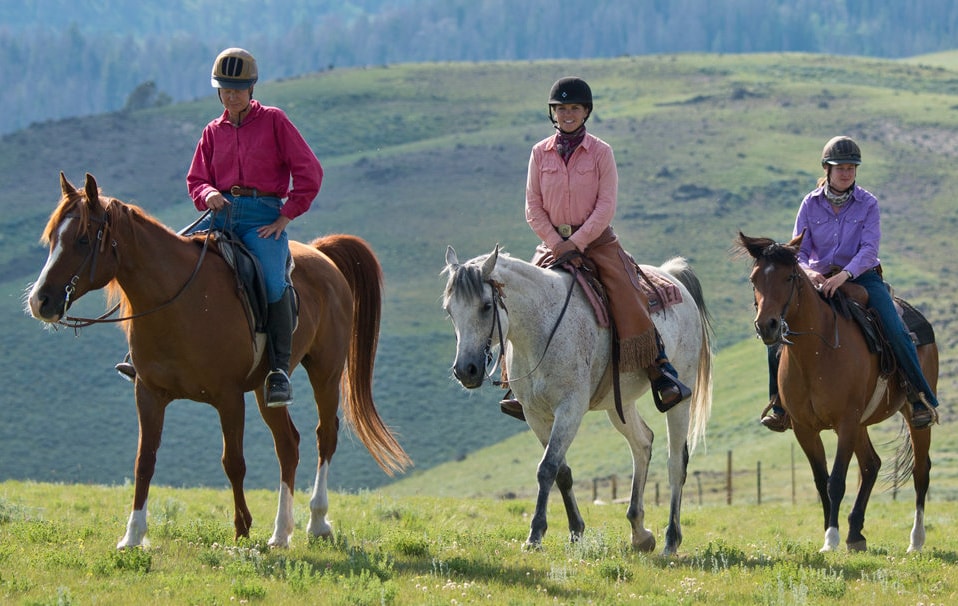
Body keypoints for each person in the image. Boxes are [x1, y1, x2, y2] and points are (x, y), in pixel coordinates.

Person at [116, 47, 323, 408]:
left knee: (275, 283)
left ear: (252, 89)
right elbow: (196, 179)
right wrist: (208, 192)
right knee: (164, 260)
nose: (231, 96)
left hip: (262, 218)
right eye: (225, 89)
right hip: (221, 216)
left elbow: (310, 172)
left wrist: (286, 215)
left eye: (238, 89)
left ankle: (278, 372)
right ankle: (142, 356)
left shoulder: (275, 121)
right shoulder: (212, 131)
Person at [499, 76, 691, 421]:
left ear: (585, 112)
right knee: (520, 296)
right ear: (553, 114)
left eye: (574, 108)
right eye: (561, 108)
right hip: (553, 244)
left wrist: (578, 242)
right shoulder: (538, 154)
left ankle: (658, 368)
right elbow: (532, 205)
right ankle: (516, 382)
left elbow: (606, 205)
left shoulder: (602, 152)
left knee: (626, 291)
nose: (567, 114)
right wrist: (558, 244)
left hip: (597, 241)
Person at [760, 135, 939, 431]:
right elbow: (799, 250)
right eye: (840, 167)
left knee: (895, 329)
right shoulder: (810, 203)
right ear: (827, 170)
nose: (846, 173)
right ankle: (780, 406)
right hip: (816, 280)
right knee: (777, 331)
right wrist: (811, 273)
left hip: (862, 277)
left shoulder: (868, 203)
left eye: (851, 168)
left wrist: (845, 275)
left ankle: (919, 397)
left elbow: (869, 249)